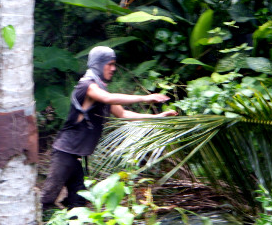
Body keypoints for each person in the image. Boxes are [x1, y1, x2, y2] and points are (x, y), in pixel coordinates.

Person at [40, 46, 178, 208]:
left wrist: (156, 117)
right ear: (98, 64)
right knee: (47, 197)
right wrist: (145, 98)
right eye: (110, 64)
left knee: (77, 201)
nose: (113, 68)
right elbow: (108, 98)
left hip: (74, 156)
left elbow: (123, 114)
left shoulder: (98, 88)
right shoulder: (87, 86)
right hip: (65, 152)